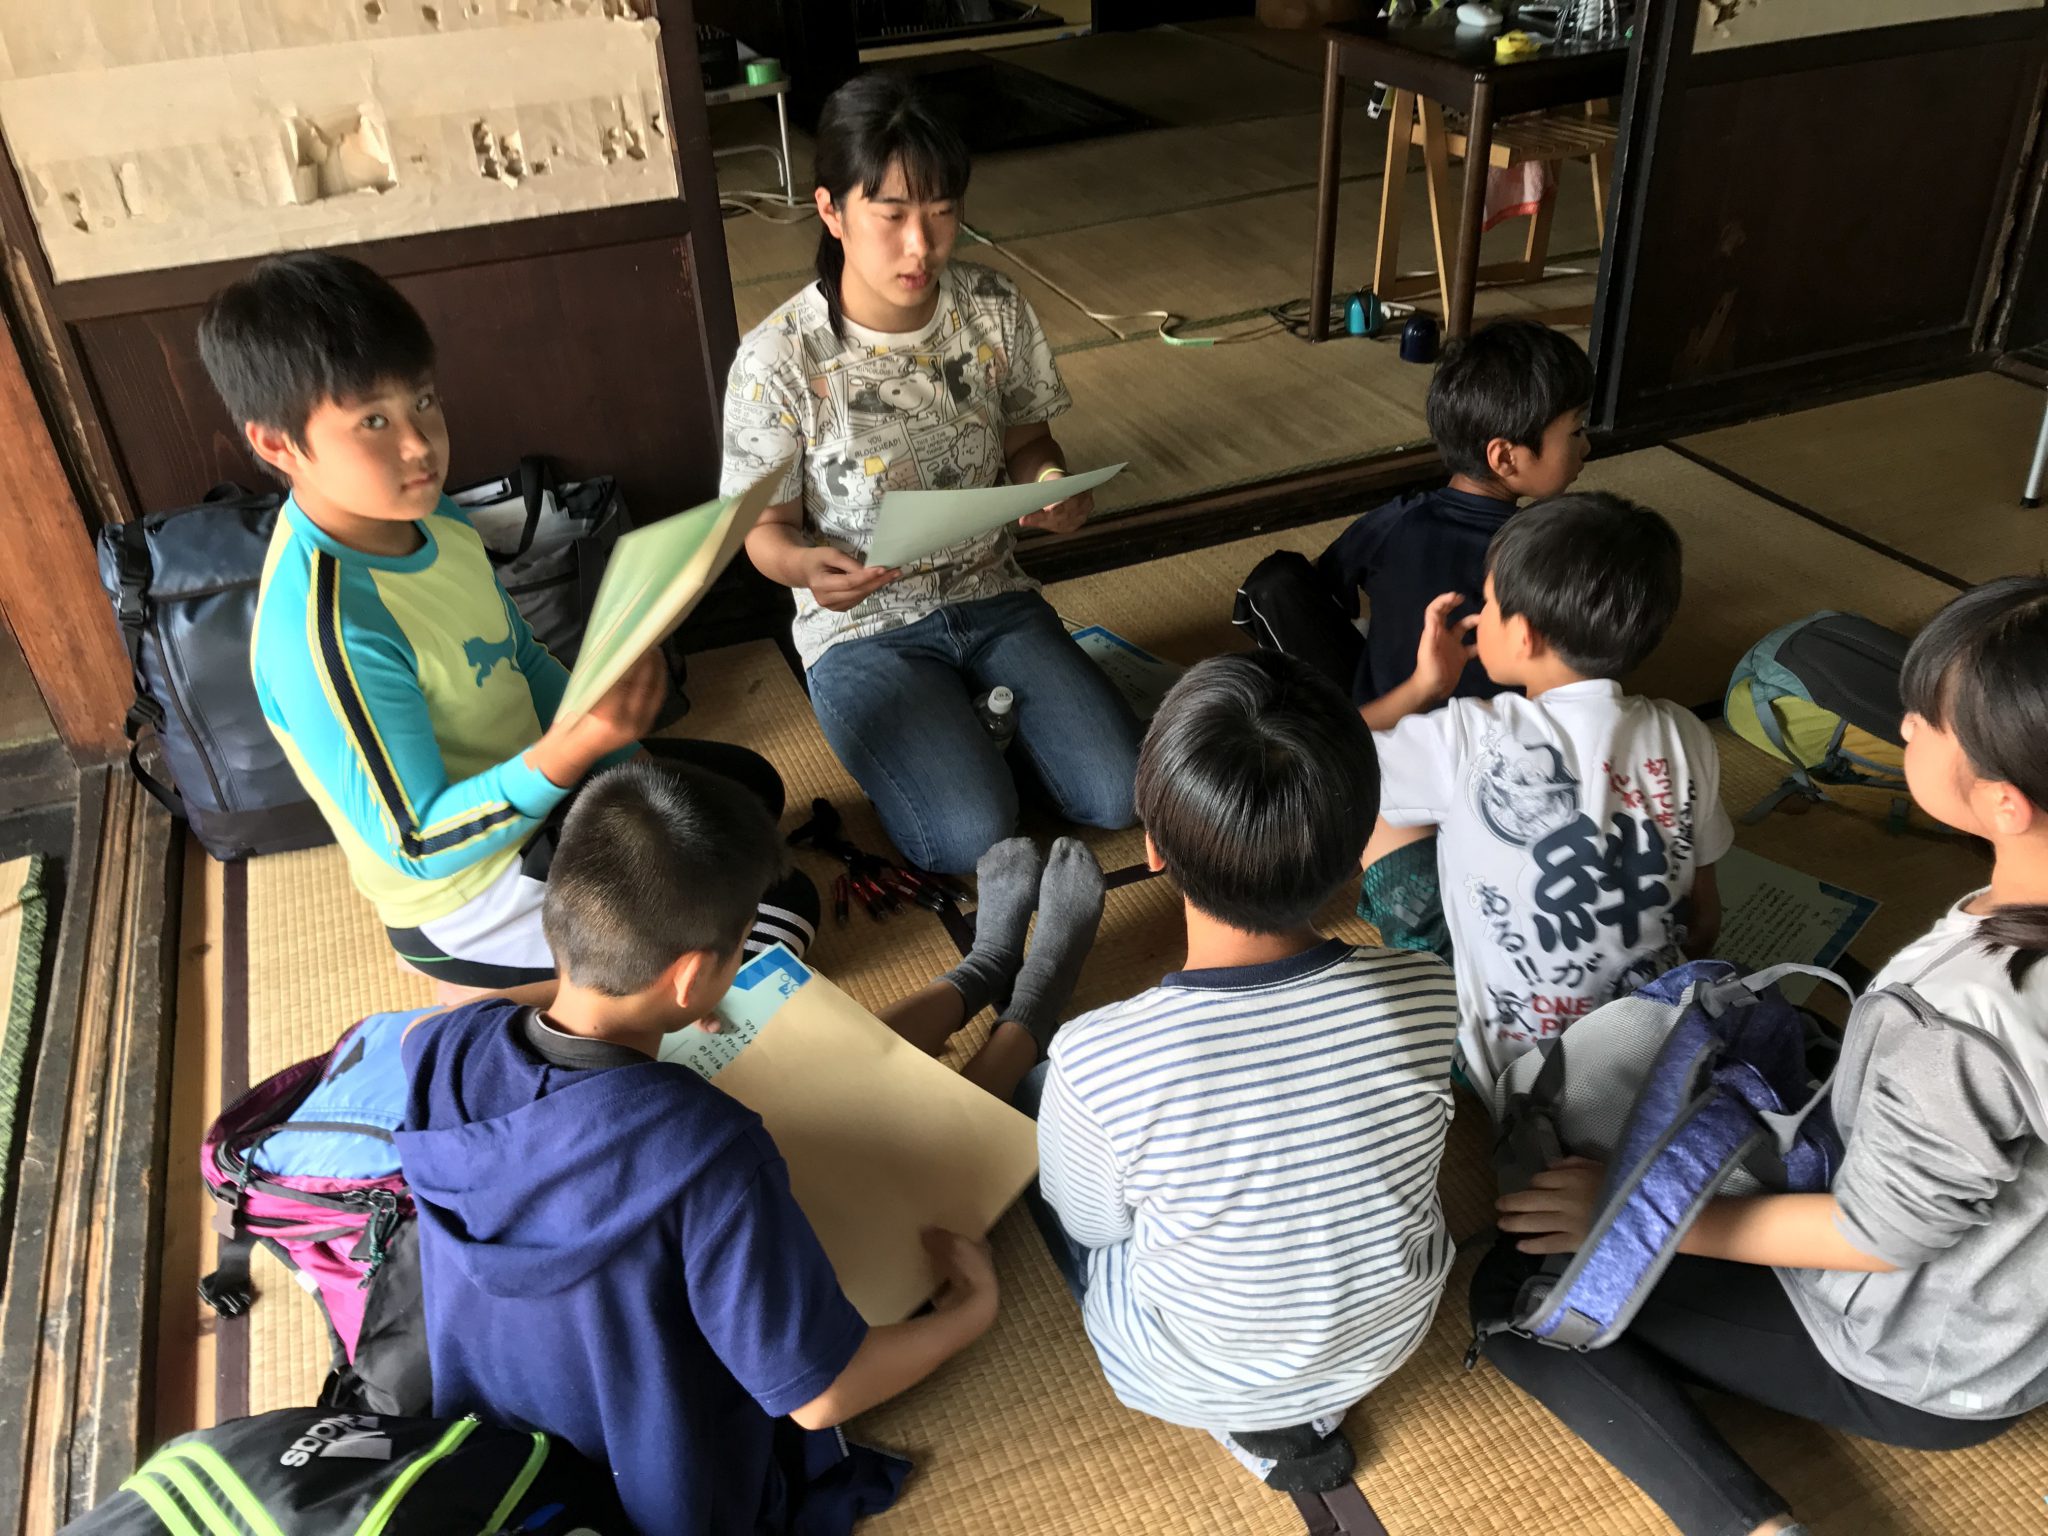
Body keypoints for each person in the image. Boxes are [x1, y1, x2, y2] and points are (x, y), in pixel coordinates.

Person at [396, 760, 1110, 1534]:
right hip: (670, 1486)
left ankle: (984, 969)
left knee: (792, 1059)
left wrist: (654, 990)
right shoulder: (710, 1152)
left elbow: (431, 1026)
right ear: (691, 975)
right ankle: (1029, 1010)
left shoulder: (445, 1049)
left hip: (512, 1444)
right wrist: (974, 1310)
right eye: (736, 951)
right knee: (895, 1145)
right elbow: (822, 1398)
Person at [1478, 576, 2048, 1536]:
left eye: (1929, 722)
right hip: (2011, 1299)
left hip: (1933, 1361)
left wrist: (1632, 1216)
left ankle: (1744, 1524)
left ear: (2002, 801)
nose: (1905, 726)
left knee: (1515, 1285)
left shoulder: (1961, 1020)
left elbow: (1877, 1235)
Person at [200, 252, 811, 1003]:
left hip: (535, 785)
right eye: (373, 421)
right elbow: (419, 842)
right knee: (780, 926)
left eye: (424, 400)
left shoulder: (434, 515)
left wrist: (624, 757)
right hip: (473, 885)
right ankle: (470, 980)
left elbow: (517, 652)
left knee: (748, 794)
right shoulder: (326, 630)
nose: (419, 444)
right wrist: (572, 753)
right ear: (277, 444)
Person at [1028, 652, 1461, 1495]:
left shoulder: (1097, 1058)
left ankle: (1257, 1422)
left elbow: (1092, 1227)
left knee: (1047, 1123)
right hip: (1391, 1334)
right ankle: (1305, 1404)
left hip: (1188, 1374)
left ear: (1152, 850)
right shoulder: (1426, 987)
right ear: (1355, 855)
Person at [720, 72, 1143, 876]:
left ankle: (984, 734)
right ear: (831, 211)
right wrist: (807, 569)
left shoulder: (993, 308)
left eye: (943, 212)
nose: (921, 245)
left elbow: (1030, 443)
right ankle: (975, 743)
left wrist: (1051, 485)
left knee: (1122, 793)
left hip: (993, 595)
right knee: (969, 839)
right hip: (862, 631)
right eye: (892, 215)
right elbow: (765, 534)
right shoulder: (778, 358)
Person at [1358, 492, 1730, 1095]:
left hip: (1507, 1074)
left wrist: (1425, 685)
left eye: (1489, 603)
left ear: (1524, 636)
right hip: (1658, 1050)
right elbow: (1704, 919)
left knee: (1378, 811)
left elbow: (1331, 757)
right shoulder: (1685, 733)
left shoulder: (1467, 733)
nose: (1480, 615)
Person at [1235, 318, 1592, 707]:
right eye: (1576, 432)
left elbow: (1326, 585)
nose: (1586, 446)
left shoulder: (1396, 521)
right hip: (1488, 738)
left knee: (1277, 581)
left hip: (1374, 726)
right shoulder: (1548, 549)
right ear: (1505, 457)